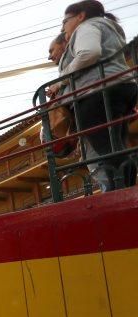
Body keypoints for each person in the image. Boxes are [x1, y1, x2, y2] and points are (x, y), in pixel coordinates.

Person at [49, 1, 137, 191]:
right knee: (117, 143)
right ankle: (125, 189)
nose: (63, 26)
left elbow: (89, 53)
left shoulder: (88, 26)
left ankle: (118, 193)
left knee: (106, 148)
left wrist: (63, 78)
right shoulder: (110, 28)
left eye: (65, 21)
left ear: (80, 16)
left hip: (96, 92)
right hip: (122, 86)